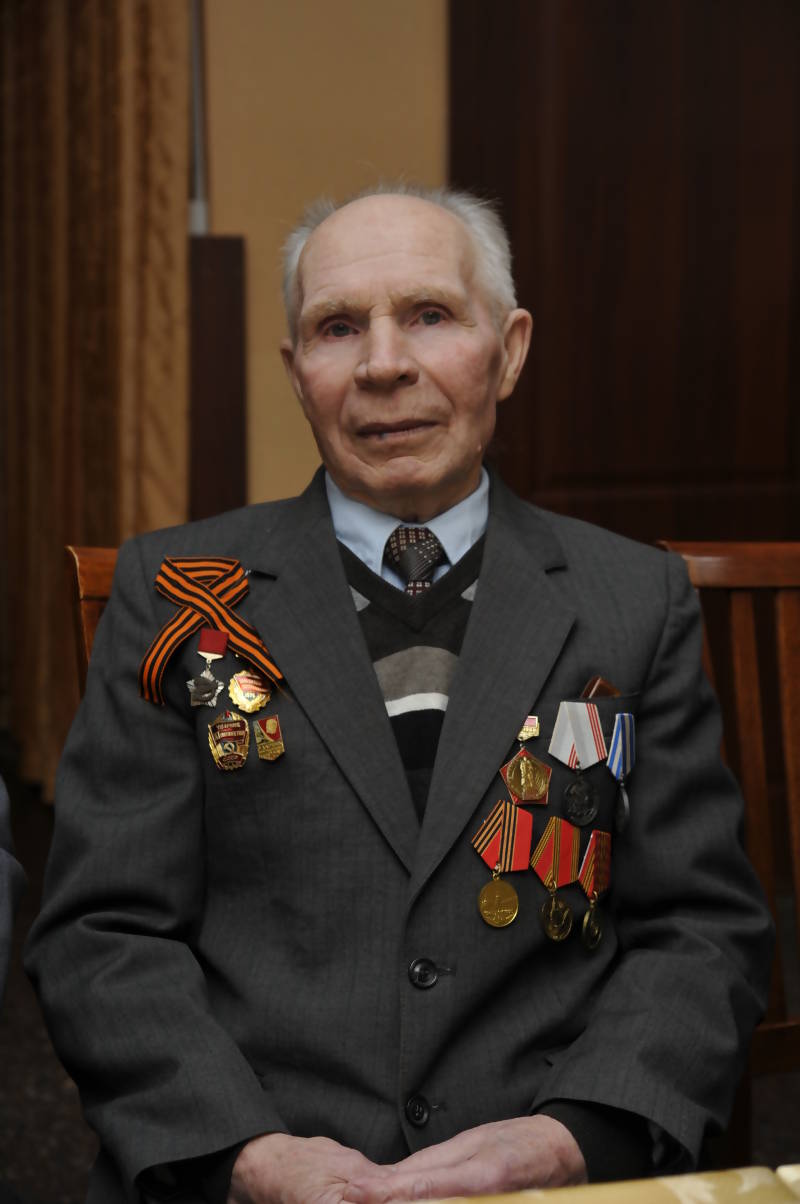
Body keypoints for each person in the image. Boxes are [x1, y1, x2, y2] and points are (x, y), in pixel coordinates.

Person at [26, 185, 773, 1204]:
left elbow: (699, 927)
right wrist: (248, 1154)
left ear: (509, 350)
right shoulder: (175, 594)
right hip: (252, 1166)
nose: (383, 364)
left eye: (428, 314)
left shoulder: (633, 601)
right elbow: (102, 932)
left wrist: (568, 1138)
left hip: (544, 1171)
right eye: (338, 328)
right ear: (297, 372)